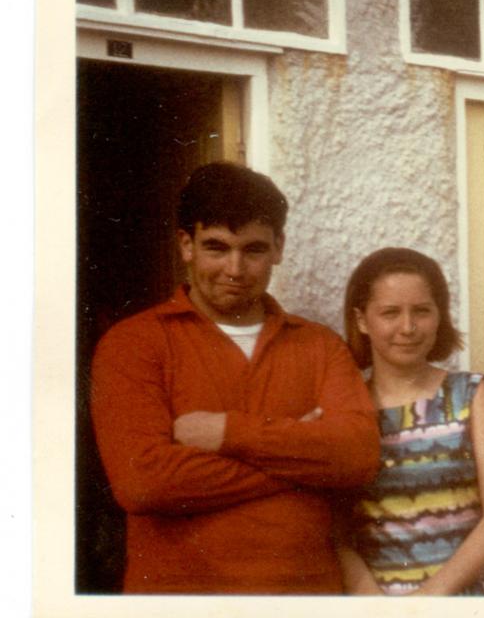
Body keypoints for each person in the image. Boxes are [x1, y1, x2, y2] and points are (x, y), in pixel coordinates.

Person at [89, 162, 381, 594]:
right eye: (216, 248)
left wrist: (229, 432)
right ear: (186, 245)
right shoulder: (133, 343)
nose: (235, 269)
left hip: (306, 603)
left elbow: (358, 456)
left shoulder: (319, 345)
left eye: (254, 250)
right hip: (183, 613)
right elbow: (143, 482)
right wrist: (302, 455)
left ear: (279, 247)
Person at [335, 248, 484, 595]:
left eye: (421, 311)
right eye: (390, 313)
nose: (407, 327)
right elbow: (336, 534)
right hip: (382, 613)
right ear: (362, 320)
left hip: (470, 602)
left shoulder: (473, 396)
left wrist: (427, 600)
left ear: (439, 316)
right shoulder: (347, 410)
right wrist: (376, 607)